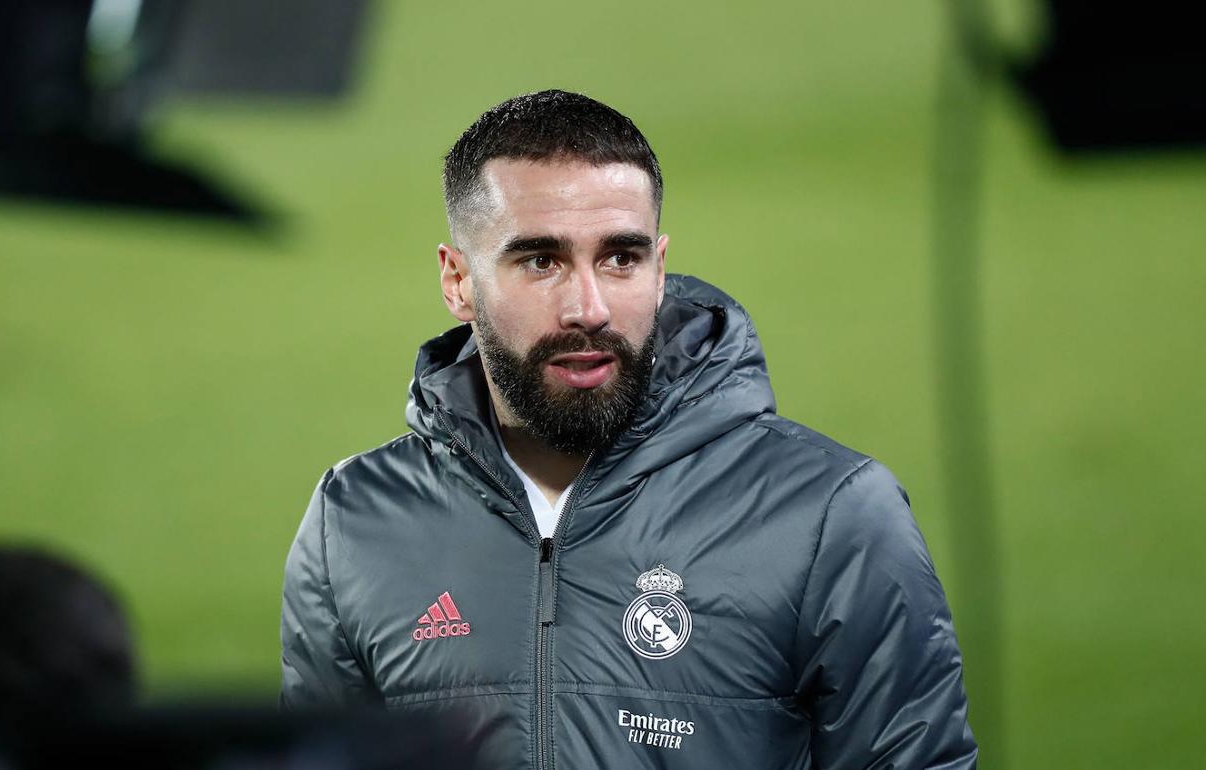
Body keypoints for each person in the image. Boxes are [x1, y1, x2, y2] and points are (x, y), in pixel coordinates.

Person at [281, 89, 978, 768]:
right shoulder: (354, 522)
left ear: (660, 268)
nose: (589, 308)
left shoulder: (830, 515)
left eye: (621, 258)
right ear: (458, 280)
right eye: (541, 261)